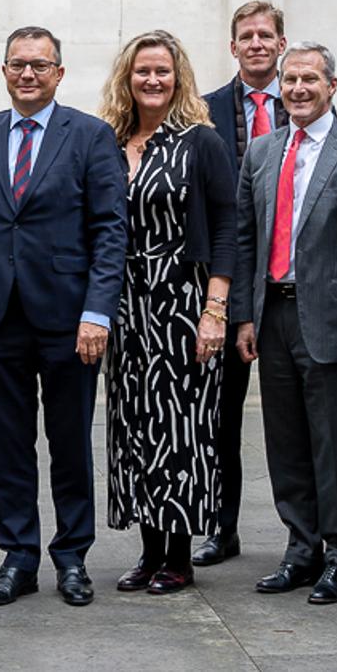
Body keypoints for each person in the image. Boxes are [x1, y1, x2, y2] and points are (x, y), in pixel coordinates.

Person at [0, 26, 128, 608]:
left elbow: (109, 231)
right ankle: (18, 555)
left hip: (69, 319)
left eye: (40, 65)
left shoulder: (92, 136)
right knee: (8, 443)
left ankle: (72, 555)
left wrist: (98, 312)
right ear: (4, 71)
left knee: (70, 440)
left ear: (59, 73)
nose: (28, 74)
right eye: (18, 65)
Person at [233, 42, 337, 605]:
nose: (298, 89)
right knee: (285, 441)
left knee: (335, 443)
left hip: (333, 316)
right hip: (272, 313)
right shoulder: (260, 151)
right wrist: (243, 317)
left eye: (310, 79)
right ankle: (299, 548)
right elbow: (245, 237)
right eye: (290, 79)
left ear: (332, 85)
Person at [94, 31, 238, 597]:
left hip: (182, 302)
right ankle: (149, 550)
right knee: (134, 427)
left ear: (179, 77)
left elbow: (227, 227)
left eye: (162, 71)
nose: (152, 80)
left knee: (181, 430)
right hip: (125, 306)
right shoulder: (107, 141)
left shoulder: (201, 142)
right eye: (141, 71)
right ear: (125, 78)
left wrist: (216, 309)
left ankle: (179, 556)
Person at [193, 0, 288, 565]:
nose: (256, 44)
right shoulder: (204, 111)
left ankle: (305, 536)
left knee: (291, 419)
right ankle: (220, 527)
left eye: (265, 35)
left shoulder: (303, 100)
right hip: (223, 281)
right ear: (233, 47)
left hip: (284, 282)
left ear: (280, 43)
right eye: (246, 36)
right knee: (218, 419)